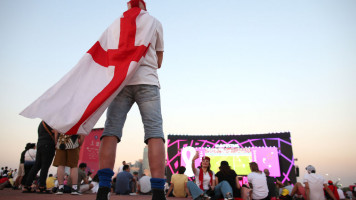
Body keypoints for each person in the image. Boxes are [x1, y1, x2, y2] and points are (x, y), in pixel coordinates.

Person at [95, 0, 165, 200]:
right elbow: (159, 61)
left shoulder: (115, 24)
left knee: (111, 130)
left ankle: (103, 189)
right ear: (144, 7)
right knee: (154, 132)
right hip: (147, 82)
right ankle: (159, 192)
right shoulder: (154, 22)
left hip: (121, 82)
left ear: (128, 7)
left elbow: (107, 55)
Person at [23, 121, 57, 193]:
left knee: (37, 166)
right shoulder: (52, 122)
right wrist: (56, 144)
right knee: (45, 166)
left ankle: (27, 186)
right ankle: (42, 186)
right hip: (48, 145)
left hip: (40, 144)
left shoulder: (42, 123)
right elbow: (56, 132)